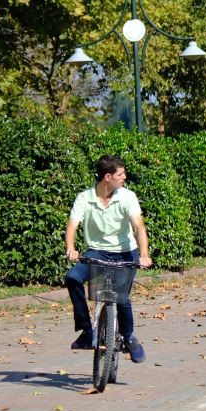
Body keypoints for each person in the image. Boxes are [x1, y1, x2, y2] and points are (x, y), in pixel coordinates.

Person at [64, 155, 153, 362]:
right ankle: (87, 331)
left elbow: (139, 226)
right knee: (72, 278)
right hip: (96, 251)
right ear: (107, 177)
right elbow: (72, 225)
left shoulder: (127, 196)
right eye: (120, 174)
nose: (124, 177)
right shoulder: (85, 198)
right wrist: (71, 249)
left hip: (125, 252)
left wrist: (144, 254)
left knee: (121, 297)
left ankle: (129, 336)